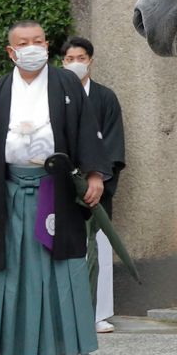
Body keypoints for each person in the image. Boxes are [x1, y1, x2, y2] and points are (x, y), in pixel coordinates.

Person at [0, 21, 114, 355]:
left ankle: (78, 348)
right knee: (14, 267)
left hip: (55, 187)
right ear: (11, 52)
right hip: (12, 189)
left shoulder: (66, 84)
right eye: (23, 43)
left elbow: (87, 132)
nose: (32, 48)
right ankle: (16, 349)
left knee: (67, 266)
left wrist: (94, 174)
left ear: (46, 45)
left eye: (38, 41)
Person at [61, 37, 124, 334]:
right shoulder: (56, 96)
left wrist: (98, 180)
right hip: (62, 185)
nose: (76, 63)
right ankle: (65, 312)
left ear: (91, 60)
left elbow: (112, 145)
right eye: (70, 58)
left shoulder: (105, 98)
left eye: (81, 57)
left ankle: (99, 313)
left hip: (97, 187)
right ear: (62, 62)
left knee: (98, 247)